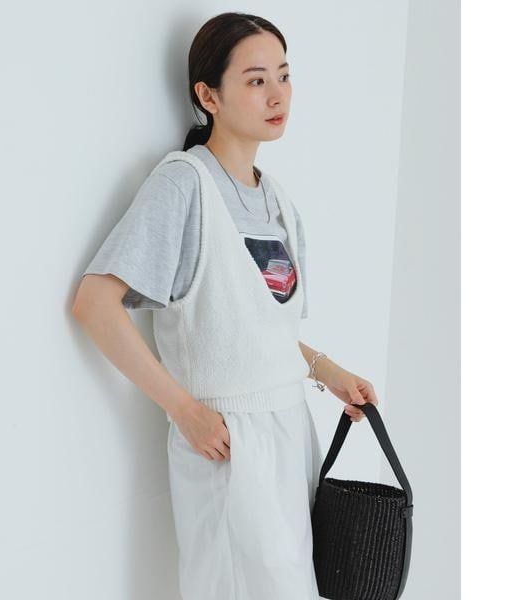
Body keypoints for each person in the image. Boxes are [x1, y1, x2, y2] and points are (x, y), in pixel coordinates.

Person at [72, 11, 379, 600]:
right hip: (226, 442)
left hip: (291, 431)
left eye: (284, 76)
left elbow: (252, 330)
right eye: (256, 80)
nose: (277, 95)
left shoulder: (277, 202)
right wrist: (184, 410)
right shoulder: (184, 185)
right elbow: (95, 304)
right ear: (208, 96)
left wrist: (328, 371)